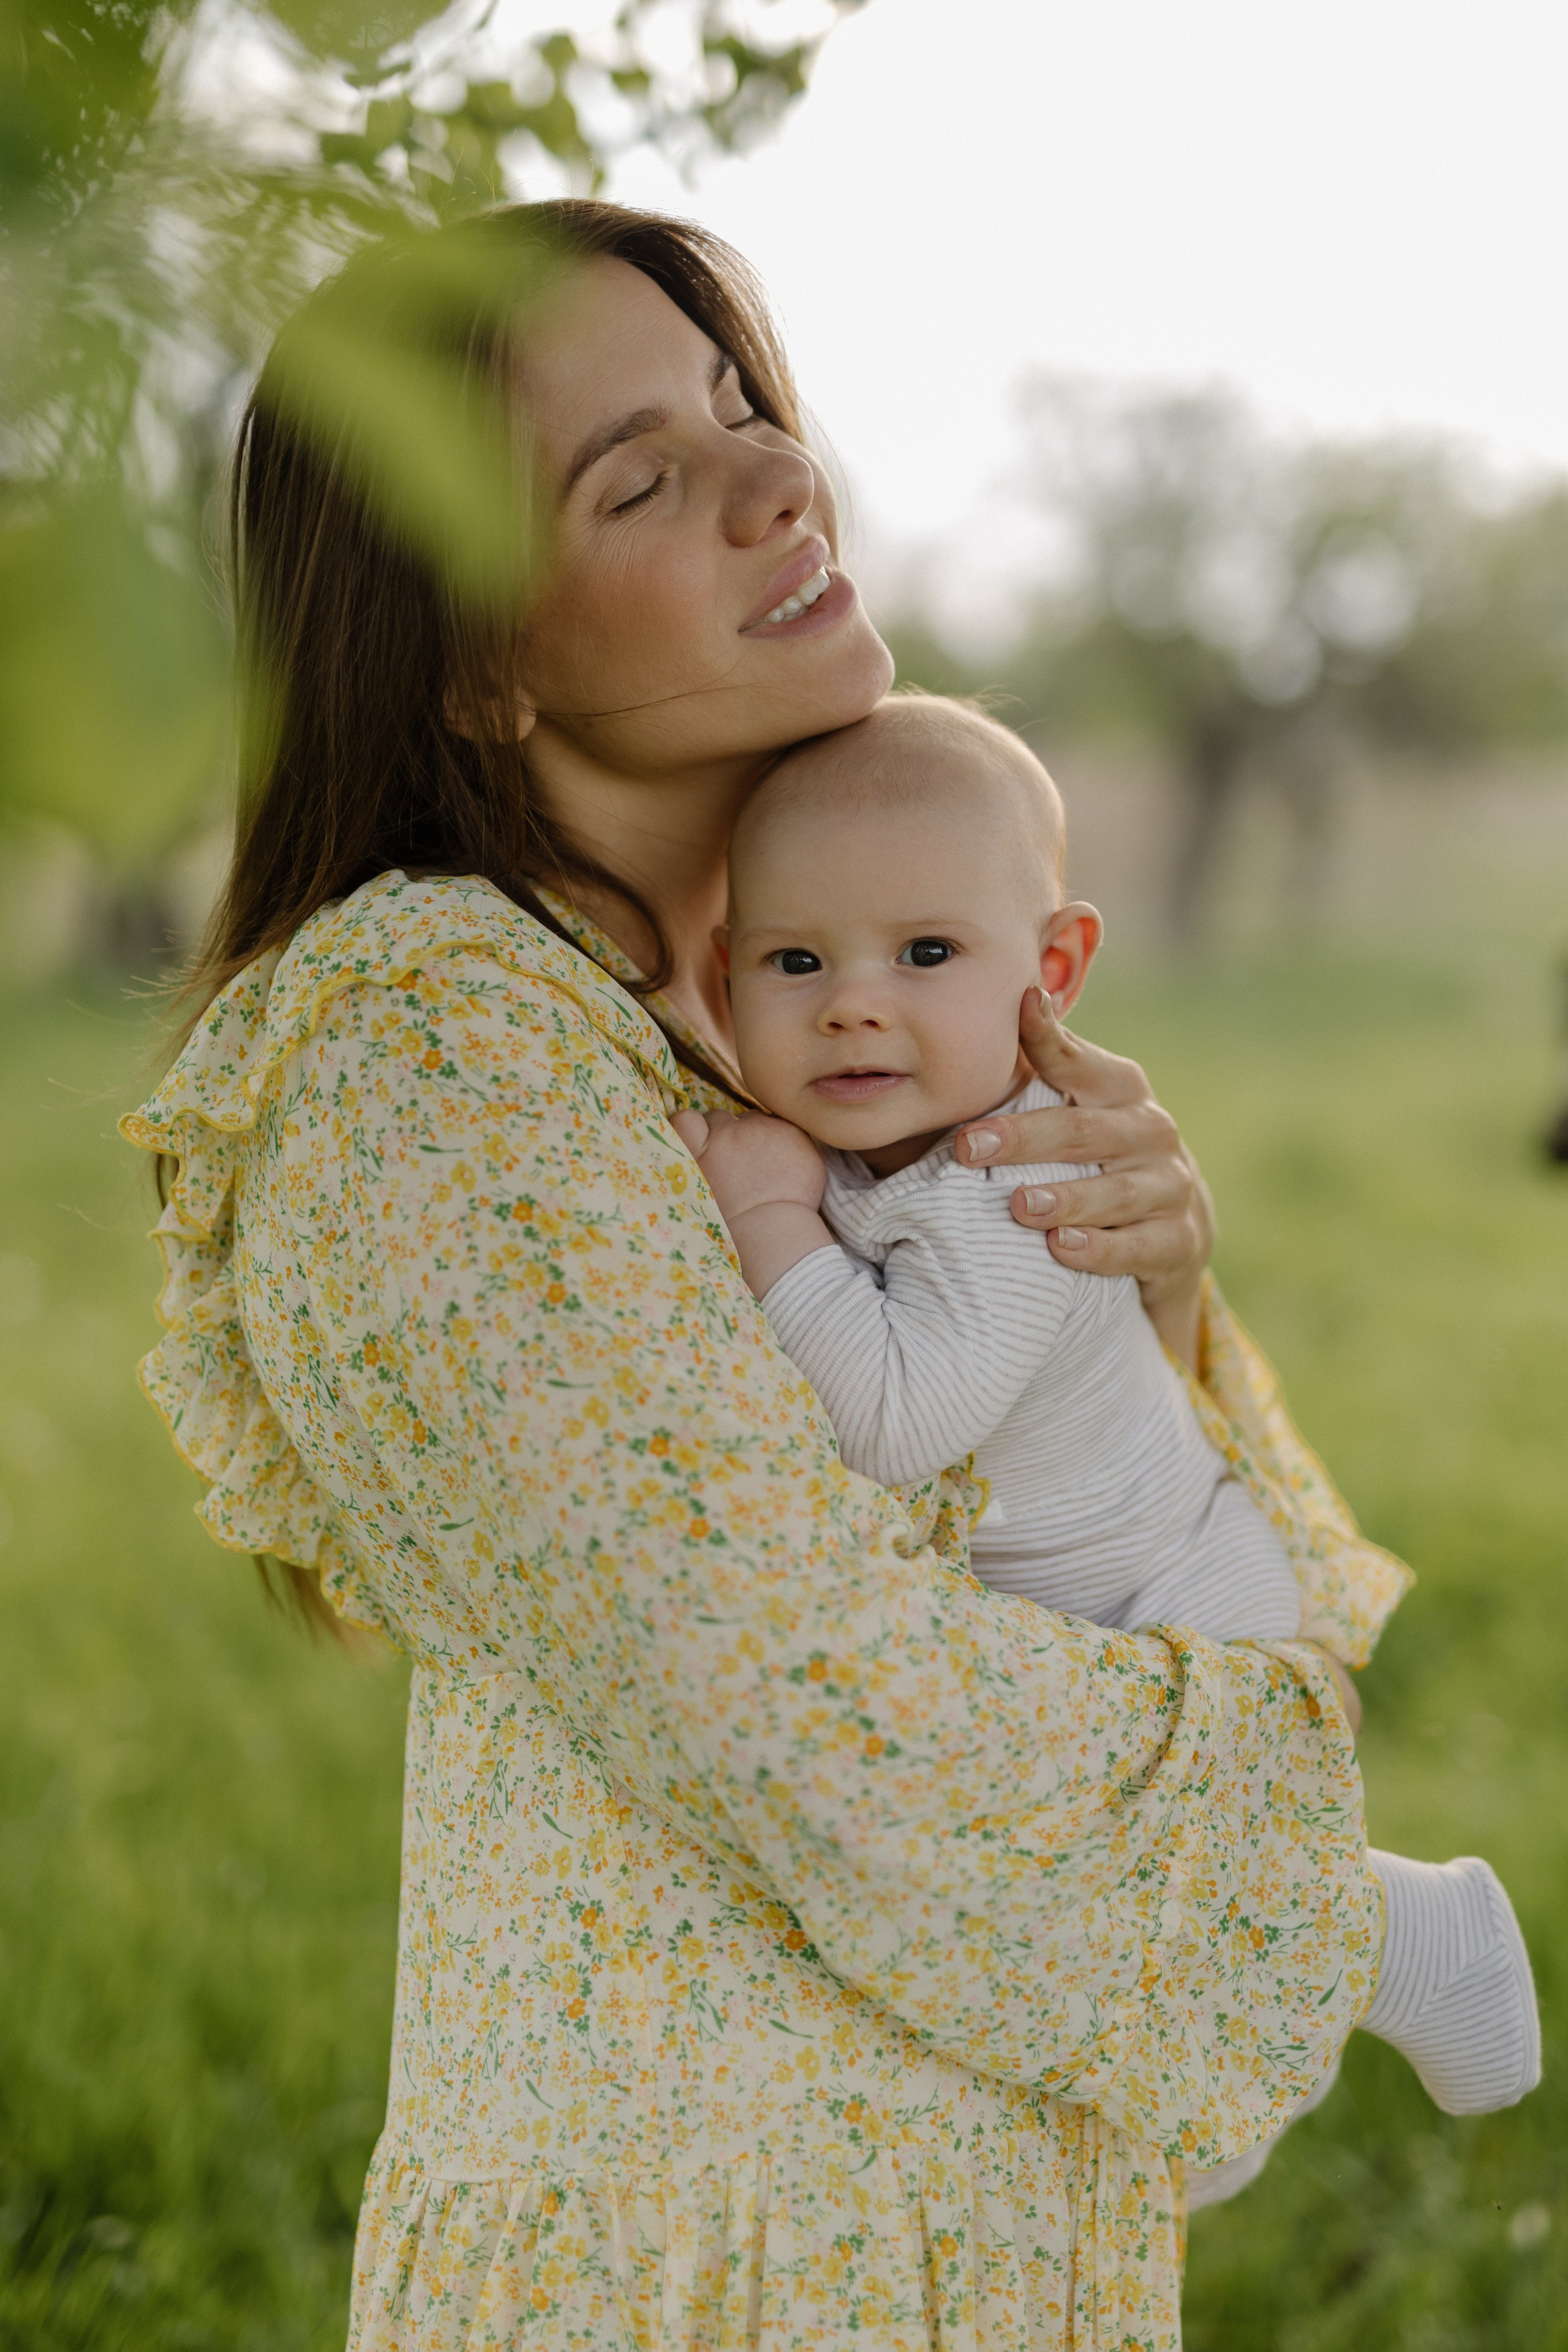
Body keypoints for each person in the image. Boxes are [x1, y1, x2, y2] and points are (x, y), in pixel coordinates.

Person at [124, 200, 1404, 2349]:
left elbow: (1121, 1520)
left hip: (972, 2228)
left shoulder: (810, 1013)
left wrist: (1158, 1298)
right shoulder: (430, 1060)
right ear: (473, 661)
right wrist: (1302, 1826)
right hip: (700, 2265)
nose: (780, 477)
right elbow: (823, 1714)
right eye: (640, 478)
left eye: (745, 410)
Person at [677, 690, 1540, 2199]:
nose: (852, 1005)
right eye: (795, 961)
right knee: (1094, 1924)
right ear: (721, 974)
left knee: (1170, 1935)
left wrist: (761, 1218)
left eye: (924, 956)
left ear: (1053, 972)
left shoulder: (1014, 1179)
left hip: (1173, 1593)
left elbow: (890, 1423)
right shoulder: (877, 1146)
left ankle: (1410, 1941)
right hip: (1085, 1598)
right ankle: (1367, 1965)